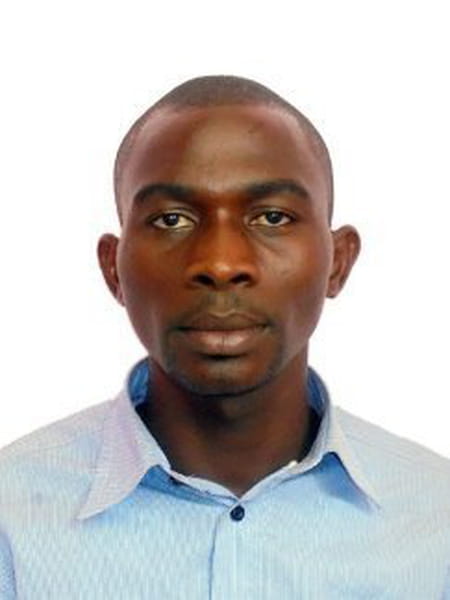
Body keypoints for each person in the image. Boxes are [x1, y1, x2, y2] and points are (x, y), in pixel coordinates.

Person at [1, 75, 449, 599]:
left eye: (272, 217)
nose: (220, 263)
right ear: (113, 269)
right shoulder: (12, 520)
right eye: (171, 219)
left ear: (338, 262)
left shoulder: (436, 520)